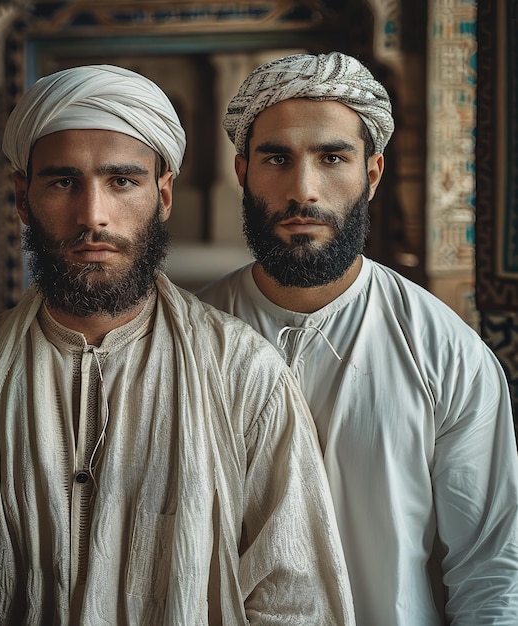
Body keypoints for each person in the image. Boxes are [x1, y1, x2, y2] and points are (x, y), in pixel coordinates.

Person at [0, 65, 355, 624]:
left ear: (162, 195)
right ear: (22, 196)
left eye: (122, 181)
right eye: (63, 182)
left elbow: (296, 601)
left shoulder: (243, 375)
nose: (93, 216)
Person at [199, 52, 518, 625]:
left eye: (331, 157)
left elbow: (491, 568)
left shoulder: (446, 353)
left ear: (371, 174)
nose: (304, 190)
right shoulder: (189, 340)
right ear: (243, 171)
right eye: (278, 158)